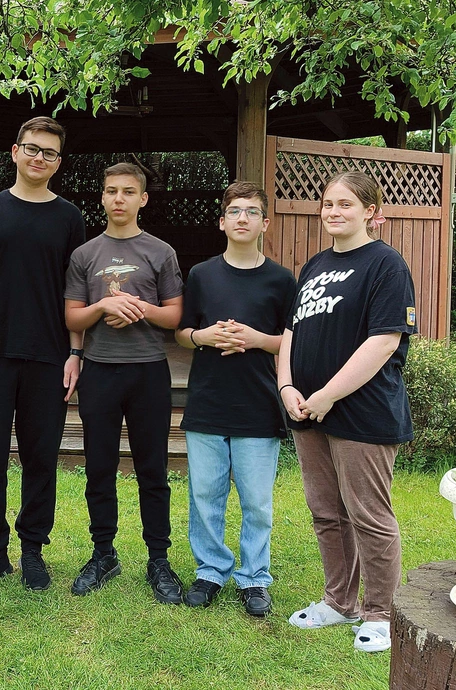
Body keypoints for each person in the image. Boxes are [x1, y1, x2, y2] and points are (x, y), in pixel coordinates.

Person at [278, 171, 415, 653]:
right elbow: (291, 332)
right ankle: (339, 602)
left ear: (371, 212)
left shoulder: (387, 265)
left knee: (368, 516)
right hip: (308, 410)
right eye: (328, 204)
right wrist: (286, 385)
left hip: (363, 412)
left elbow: (384, 342)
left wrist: (329, 394)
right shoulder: (315, 264)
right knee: (326, 513)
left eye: (346, 204)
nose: (333, 212)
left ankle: (381, 614)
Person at [0, 116, 86, 593]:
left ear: (58, 162)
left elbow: (77, 291)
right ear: (14, 151)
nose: (38, 158)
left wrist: (75, 353)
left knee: (41, 457)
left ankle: (32, 550)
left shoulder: (69, 218)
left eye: (49, 152)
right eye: (31, 148)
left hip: (49, 355)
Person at [174, 181, 297, 617]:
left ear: (266, 223)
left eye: (251, 211)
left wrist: (257, 339)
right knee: (205, 495)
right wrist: (204, 336)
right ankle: (210, 570)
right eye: (234, 211)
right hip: (207, 401)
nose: (242, 218)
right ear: (222, 221)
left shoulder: (282, 280)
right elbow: (182, 333)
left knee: (257, 501)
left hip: (258, 403)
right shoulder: (201, 275)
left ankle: (254, 577)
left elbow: (291, 340)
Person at [64, 162, 186, 604]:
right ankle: (103, 553)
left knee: (152, 469)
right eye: (112, 190)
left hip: (148, 371)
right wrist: (103, 307)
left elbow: (174, 316)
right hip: (99, 371)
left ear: (143, 199)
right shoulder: (85, 254)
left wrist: (135, 307)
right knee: (99, 467)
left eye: (128, 191)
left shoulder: (161, 252)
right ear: (102, 197)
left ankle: (159, 559)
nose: (119, 198)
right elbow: (73, 317)